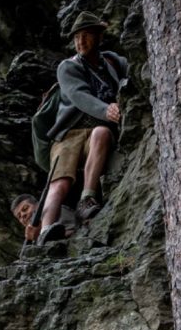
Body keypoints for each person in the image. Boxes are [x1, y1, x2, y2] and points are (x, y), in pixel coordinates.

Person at [33, 12, 128, 243]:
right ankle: (46, 230)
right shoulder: (68, 67)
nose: (80, 42)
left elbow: (129, 77)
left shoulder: (113, 62)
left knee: (102, 133)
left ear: (98, 36)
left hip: (97, 130)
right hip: (69, 134)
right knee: (61, 181)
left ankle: (87, 199)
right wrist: (107, 110)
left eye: (86, 35)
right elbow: (78, 96)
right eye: (77, 37)